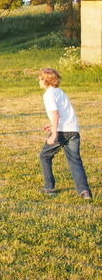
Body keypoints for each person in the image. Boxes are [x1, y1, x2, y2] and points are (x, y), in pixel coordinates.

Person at [38, 68, 92, 199]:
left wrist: (54, 133)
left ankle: (49, 187)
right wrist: (51, 125)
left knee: (44, 156)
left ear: (45, 81)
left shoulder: (49, 94)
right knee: (75, 161)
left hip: (62, 131)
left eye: (40, 79)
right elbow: (64, 113)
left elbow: (56, 113)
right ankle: (85, 192)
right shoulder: (60, 92)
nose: (39, 81)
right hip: (73, 130)